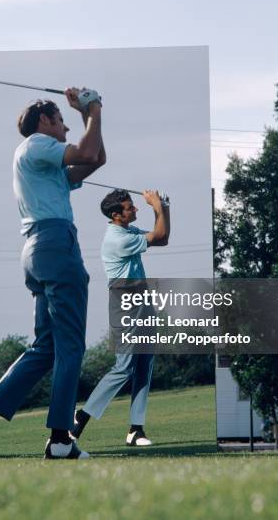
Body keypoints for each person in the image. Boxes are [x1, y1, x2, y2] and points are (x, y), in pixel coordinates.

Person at [0, 87, 106, 461]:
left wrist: (91, 113)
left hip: (38, 250)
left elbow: (96, 158)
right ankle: (60, 439)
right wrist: (93, 107)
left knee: (47, 348)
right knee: (72, 346)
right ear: (44, 121)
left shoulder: (43, 161)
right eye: (62, 121)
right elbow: (87, 151)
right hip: (56, 245)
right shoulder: (39, 144)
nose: (67, 130)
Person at [72, 188, 170, 446]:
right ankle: (80, 417)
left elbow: (162, 239)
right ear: (116, 215)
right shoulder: (117, 239)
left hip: (142, 298)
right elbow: (159, 233)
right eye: (130, 207)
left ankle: (136, 429)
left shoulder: (127, 231)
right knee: (124, 366)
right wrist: (157, 207)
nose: (135, 209)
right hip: (124, 301)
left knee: (144, 364)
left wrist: (164, 208)